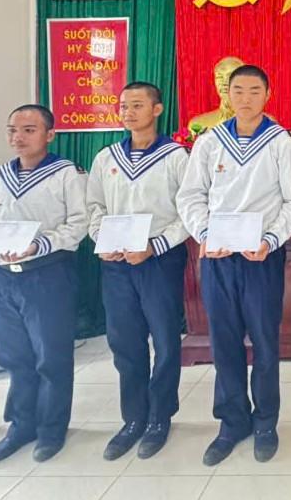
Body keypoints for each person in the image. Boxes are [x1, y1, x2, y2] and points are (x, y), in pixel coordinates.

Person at [176, 65, 291, 466]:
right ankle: (232, 422)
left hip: (261, 258)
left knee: (265, 342)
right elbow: (190, 196)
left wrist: (270, 240)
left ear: (268, 94)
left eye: (254, 91)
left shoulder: (281, 142)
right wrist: (204, 233)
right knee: (224, 342)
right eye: (238, 90)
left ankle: (266, 422)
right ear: (228, 95)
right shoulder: (209, 141)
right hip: (218, 259)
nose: (245, 98)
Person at [0, 104, 87, 465]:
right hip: (3, 278)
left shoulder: (66, 174)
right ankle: (20, 425)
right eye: (12, 130)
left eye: (29, 130)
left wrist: (38, 245)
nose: (18, 137)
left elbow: (79, 223)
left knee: (51, 356)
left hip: (47, 273)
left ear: (50, 135)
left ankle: (51, 429)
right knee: (12, 355)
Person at [87, 82, 190, 460]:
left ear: (157, 109)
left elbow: (189, 211)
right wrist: (102, 239)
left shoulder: (176, 156)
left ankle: (160, 417)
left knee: (165, 341)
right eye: (123, 106)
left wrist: (154, 246)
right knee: (124, 342)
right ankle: (133, 418)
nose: (128, 112)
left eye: (136, 105)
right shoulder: (106, 158)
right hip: (117, 264)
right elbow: (94, 206)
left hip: (159, 260)